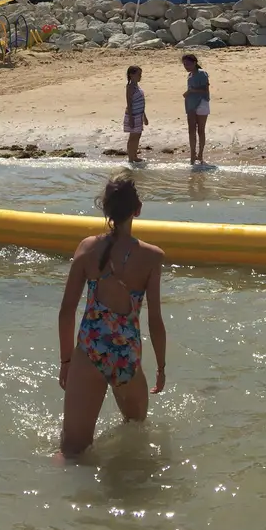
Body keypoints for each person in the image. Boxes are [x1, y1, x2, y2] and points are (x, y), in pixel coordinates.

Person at [56, 174, 166, 460]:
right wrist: (161, 368)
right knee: (136, 434)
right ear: (138, 209)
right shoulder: (152, 257)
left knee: (71, 451)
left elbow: (67, 311)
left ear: (105, 210)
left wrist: (66, 361)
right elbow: (155, 320)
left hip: (90, 350)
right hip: (126, 356)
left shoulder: (86, 248)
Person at [180, 53, 210, 166]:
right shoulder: (190, 75)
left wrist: (191, 91)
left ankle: (200, 154)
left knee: (200, 130)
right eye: (184, 65)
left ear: (194, 63)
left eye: (187, 64)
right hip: (191, 104)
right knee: (191, 130)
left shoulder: (202, 73)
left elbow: (205, 89)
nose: (186, 67)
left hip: (202, 103)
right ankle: (193, 154)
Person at [122, 65, 147, 164]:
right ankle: (130, 158)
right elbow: (129, 103)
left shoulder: (137, 86)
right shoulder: (130, 87)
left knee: (138, 135)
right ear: (131, 75)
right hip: (133, 115)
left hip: (139, 114)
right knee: (132, 136)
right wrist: (131, 118)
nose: (140, 76)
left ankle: (134, 156)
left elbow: (141, 102)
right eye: (138, 74)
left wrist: (144, 116)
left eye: (141, 74)